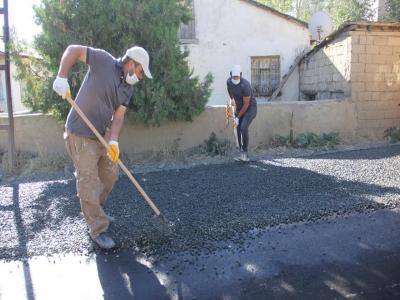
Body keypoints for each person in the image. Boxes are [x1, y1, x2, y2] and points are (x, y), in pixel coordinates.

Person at [52, 45, 152, 249]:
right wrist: (61, 77)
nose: (141, 77)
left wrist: (113, 141)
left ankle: (95, 210)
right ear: (131, 63)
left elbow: (119, 117)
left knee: (110, 173)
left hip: (102, 135)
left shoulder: (127, 89)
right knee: (88, 179)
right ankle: (97, 228)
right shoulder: (103, 61)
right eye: (141, 72)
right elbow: (73, 50)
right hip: (80, 132)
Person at [226, 65, 257, 162]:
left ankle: (245, 154)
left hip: (250, 108)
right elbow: (229, 91)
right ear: (231, 75)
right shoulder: (229, 82)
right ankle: (241, 152)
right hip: (239, 107)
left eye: (237, 76)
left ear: (240, 75)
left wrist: (238, 117)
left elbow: (246, 104)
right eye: (234, 77)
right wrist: (231, 100)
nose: (235, 78)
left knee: (243, 127)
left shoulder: (245, 85)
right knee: (237, 128)